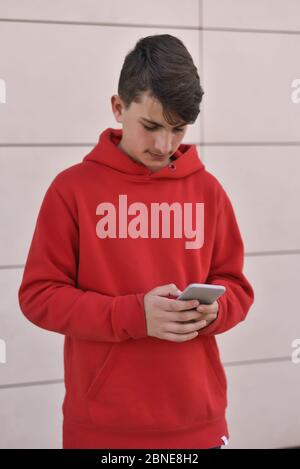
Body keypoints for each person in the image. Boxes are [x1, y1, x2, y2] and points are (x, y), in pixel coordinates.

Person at [18, 34, 254, 449]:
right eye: (151, 126)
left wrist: (214, 312)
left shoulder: (208, 191)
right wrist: (133, 315)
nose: (164, 145)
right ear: (118, 107)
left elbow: (237, 288)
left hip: (198, 422)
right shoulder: (71, 190)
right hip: (102, 429)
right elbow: (38, 296)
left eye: (178, 130)